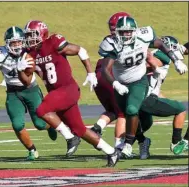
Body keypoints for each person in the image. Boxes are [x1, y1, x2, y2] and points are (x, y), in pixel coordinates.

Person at [19, 20, 120, 167]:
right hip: (57, 93)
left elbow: (81, 50)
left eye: (32, 35)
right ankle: (111, 151)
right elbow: (26, 82)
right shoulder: (29, 54)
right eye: (27, 36)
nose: (29, 39)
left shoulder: (53, 42)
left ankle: (69, 137)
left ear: (42, 33)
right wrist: (19, 70)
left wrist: (90, 72)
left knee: (42, 110)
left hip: (67, 89)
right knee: (80, 129)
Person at [100, 16, 188, 158]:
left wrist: (176, 59)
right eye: (123, 32)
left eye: (129, 31)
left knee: (136, 116)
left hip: (140, 88)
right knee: (180, 109)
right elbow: (154, 58)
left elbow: (174, 49)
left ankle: (129, 144)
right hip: (143, 94)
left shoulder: (147, 42)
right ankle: (175, 142)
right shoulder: (158, 55)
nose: (126, 35)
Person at [0, 26, 57, 161]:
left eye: (19, 42)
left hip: (31, 89)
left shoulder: (29, 52)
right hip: (13, 92)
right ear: (7, 43)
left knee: (40, 124)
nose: (17, 45)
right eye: (13, 43)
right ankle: (32, 150)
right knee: (17, 125)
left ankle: (51, 126)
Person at [131, 36, 188, 159]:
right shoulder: (163, 56)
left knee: (146, 123)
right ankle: (176, 142)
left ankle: (125, 146)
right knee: (181, 109)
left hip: (137, 96)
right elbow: (149, 63)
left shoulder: (154, 53)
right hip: (145, 98)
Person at [92, 12, 130, 151]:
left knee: (112, 110)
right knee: (122, 113)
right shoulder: (125, 41)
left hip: (99, 74)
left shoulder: (107, 39)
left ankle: (98, 127)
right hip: (111, 75)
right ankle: (119, 147)